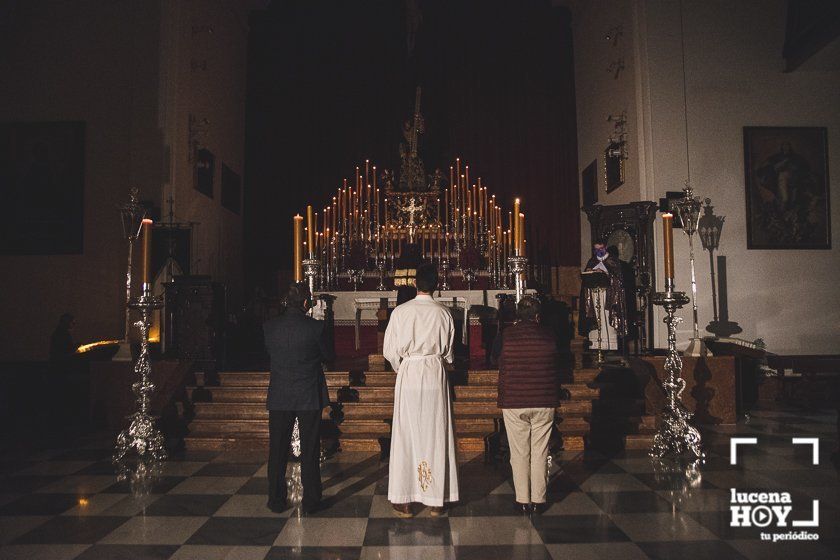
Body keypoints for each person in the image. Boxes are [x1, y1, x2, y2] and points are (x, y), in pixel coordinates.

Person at [384, 263, 458, 517]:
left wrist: (402, 367)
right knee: (436, 432)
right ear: (436, 285)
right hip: (435, 373)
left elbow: (390, 351)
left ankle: (404, 499)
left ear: (415, 284)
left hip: (410, 372)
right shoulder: (443, 313)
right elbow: (448, 353)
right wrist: (437, 362)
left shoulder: (401, 312)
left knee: (406, 433)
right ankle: (435, 500)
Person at [264, 282, 334, 514]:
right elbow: (329, 355)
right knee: (310, 448)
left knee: (277, 449)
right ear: (306, 303)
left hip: (280, 394)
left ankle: (275, 499)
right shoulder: (315, 328)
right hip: (307, 394)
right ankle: (311, 499)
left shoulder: (270, 327)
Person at [494, 296, 560, 515]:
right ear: (538, 316)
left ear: (516, 316)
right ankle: (539, 500)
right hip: (543, 398)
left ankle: (522, 500)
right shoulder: (549, 335)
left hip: (514, 400)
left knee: (519, 452)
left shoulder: (506, 335)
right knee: (540, 450)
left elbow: (496, 359)